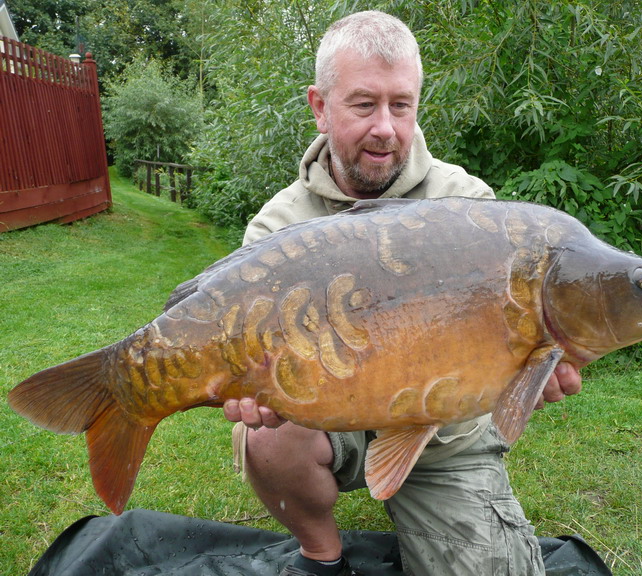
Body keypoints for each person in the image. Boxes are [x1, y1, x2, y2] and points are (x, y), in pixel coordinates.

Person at [223, 11, 582, 576]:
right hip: (327, 423)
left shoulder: (469, 205)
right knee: (264, 436)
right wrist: (248, 383)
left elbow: (510, 348)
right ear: (320, 106)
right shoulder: (279, 227)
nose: (386, 127)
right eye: (364, 105)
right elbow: (248, 356)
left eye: (401, 105)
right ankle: (322, 555)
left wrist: (527, 375)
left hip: (446, 439)